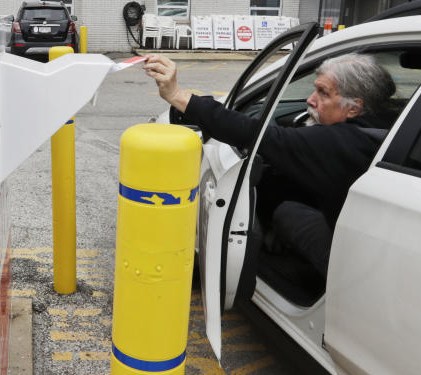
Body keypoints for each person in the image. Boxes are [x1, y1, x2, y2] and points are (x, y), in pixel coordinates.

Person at [143, 53, 396, 280]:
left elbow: (258, 134)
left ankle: (296, 269)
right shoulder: (389, 126)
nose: (310, 99)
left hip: (352, 265)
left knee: (288, 212)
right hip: (376, 245)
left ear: (353, 108)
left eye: (323, 93)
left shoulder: (342, 143)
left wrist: (177, 95)